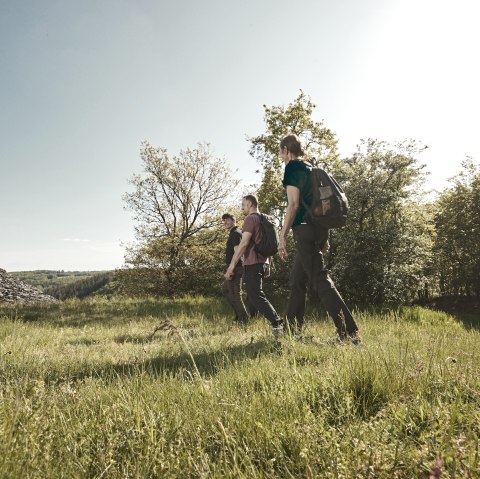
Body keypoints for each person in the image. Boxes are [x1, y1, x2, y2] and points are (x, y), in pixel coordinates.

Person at [278, 134, 361, 344]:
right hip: (317, 230)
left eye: (281, 152)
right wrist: (325, 237)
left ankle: (350, 333)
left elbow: (294, 205)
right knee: (297, 280)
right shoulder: (310, 168)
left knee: (320, 280)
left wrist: (282, 236)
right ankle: (291, 329)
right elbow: (322, 205)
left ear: (286, 150)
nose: (280, 156)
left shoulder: (292, 168)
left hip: (304, 230)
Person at [225, 195, 283, 338]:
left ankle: (277, 323)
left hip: (253, 262)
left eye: (243, 204)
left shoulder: (250, 219)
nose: (242, 207)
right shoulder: (264, 218)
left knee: (255, 295)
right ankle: (272, 322)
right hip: (263, 262)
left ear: (250, 204)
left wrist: (231, 266)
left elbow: (244, 244)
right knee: (254, 295)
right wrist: (267, 263)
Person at [221, 213, 248, 325]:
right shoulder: (234, 233)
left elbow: (238, 252)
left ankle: (243, 320)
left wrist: (231, 269)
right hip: (234, 267)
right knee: (226, 290)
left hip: (236, 268)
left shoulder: (236, 233)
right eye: (223, 221)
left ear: (233, 220)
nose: (224, 222)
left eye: (226, 220)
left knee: (236, 295)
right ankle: (239, 316)